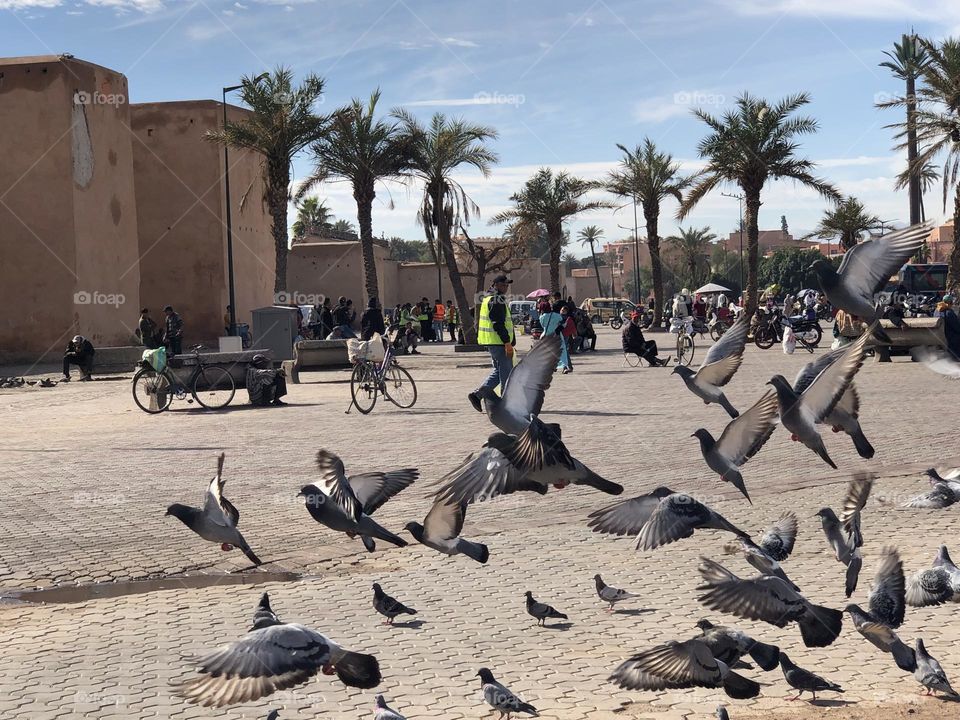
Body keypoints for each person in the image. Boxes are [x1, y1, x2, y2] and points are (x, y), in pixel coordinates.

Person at [468, 274, 515, 411]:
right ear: (495, 285)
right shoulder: (496, 300)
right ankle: (506, 404)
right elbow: (498, 323)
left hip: (494, 342)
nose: (506, 287)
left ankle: (477, 395)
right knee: (506, 373)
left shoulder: (490, 298)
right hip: (499, 342)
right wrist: (507, 342)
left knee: (498, 371)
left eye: (507, 285)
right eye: (503, 284)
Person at [934, 294, 960, 358]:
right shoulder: (949, 312)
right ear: (950, 302)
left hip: (938, 334)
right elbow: (956, 327)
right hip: (949, 336)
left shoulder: (936, 311)